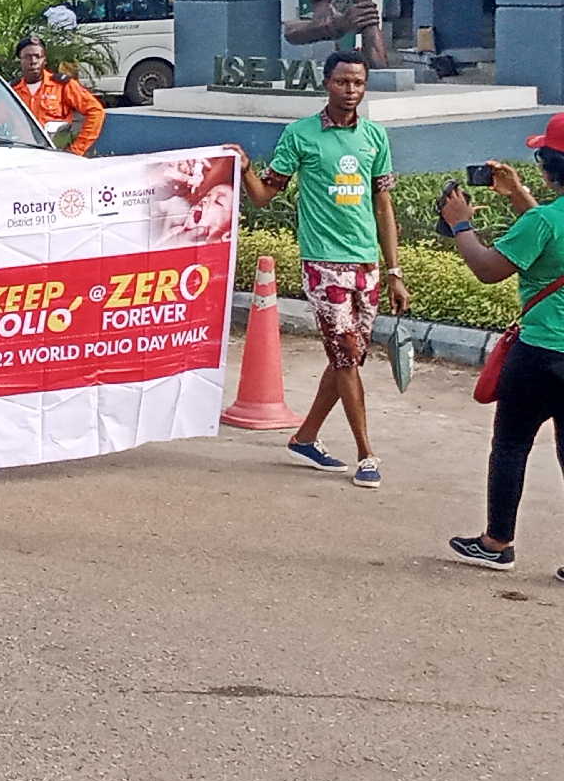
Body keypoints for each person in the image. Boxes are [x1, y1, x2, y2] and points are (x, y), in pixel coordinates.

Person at [232, 49, 410, 488]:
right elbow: (263, 196)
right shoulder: (300, 135)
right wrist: (246, 168)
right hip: (323, 264)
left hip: (367, 265)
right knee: (346, 355)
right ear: (326, 83)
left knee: (346, 357)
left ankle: (305, 437)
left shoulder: (375, 137)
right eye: (342, 82)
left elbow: (383, 205)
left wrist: (394, 271)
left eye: (358, 83)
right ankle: (366, 453)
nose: (351, 90)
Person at [438, 117, 564, 575]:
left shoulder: (543, 222)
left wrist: (460, 224)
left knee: (511, 444)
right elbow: (549, 235)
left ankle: (497, 542)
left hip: (540, 355)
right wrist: (516, 195)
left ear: (548, 168)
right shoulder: (543, 219)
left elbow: (489, 268)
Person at [11, 35, 105, 156]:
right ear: (20, 61)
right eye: (27, 57)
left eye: (38, 56)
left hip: (56, 155)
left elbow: (96, 111)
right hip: (23, 154)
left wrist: (77, 149)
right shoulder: (12, 90)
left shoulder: (62, 85)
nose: (33, 61)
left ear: (45, 60)